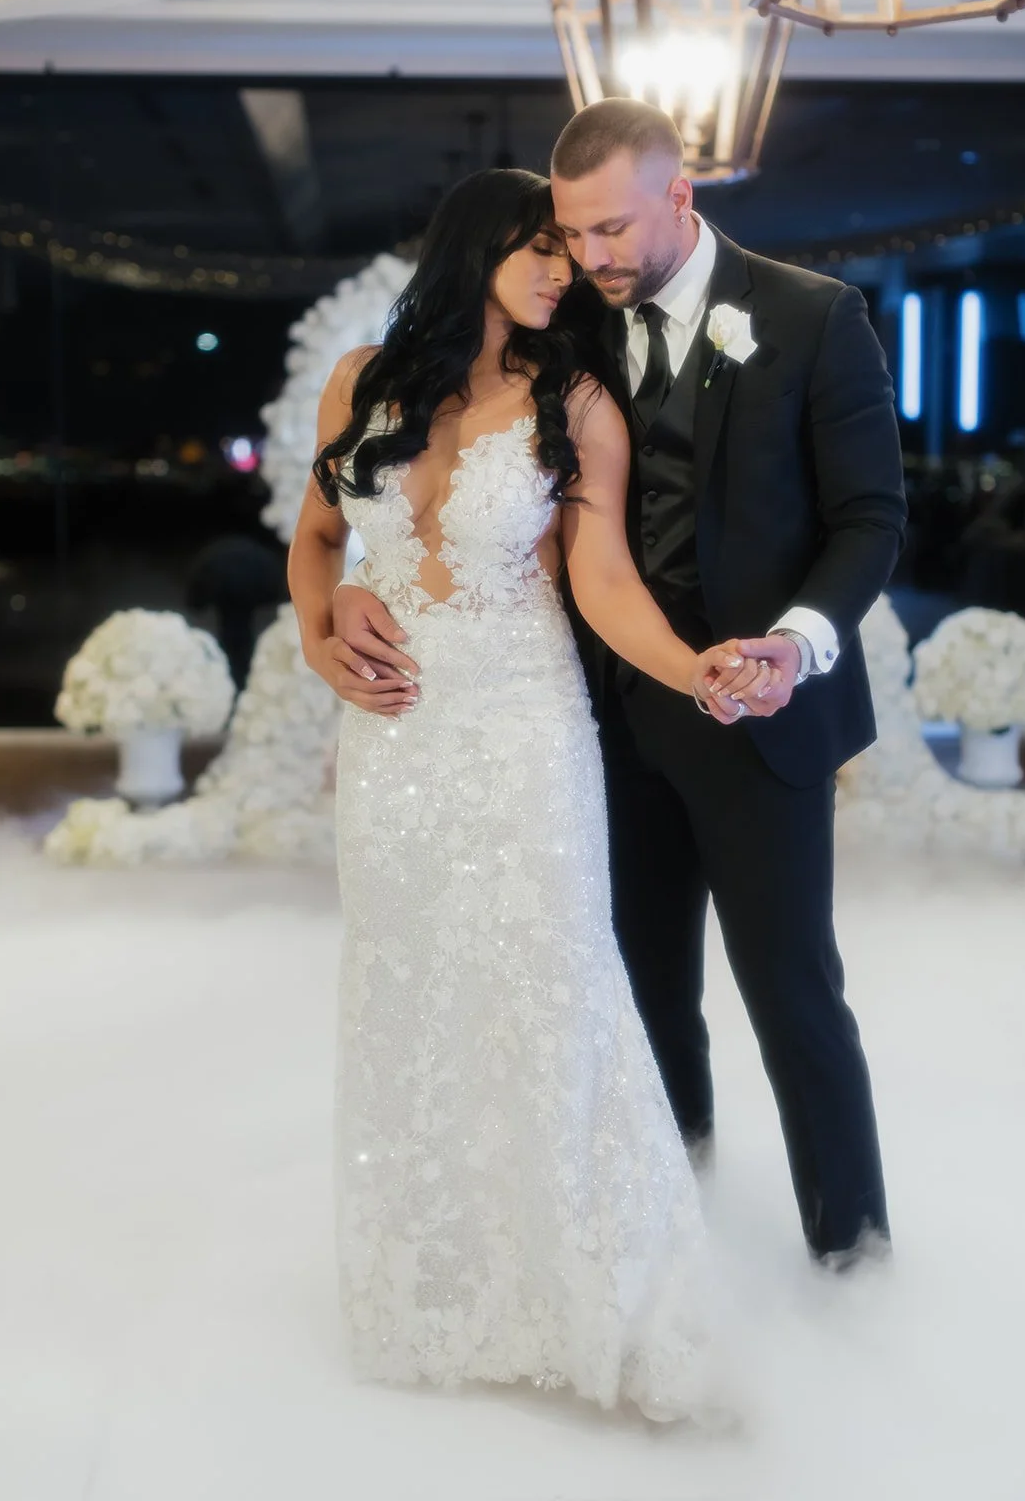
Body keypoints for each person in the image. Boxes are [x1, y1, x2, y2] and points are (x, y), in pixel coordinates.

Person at [333, 101, 908, 1269]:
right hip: (597, 718)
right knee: (642, 989)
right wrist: (342, 595)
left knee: (792, 992)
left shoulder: (811, 316)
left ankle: (853, 1260)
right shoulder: (566, 330)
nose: (589, 256)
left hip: (761, 715)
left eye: (608, 229)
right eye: (569, 233)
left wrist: (791, 645)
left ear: (679, 195)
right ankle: (670, 1222)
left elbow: (869, 519)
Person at [288, 166, 748, 1427]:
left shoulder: (578, 401)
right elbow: (318, 540)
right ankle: (445, 1291)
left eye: (571, 246)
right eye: (537, 246)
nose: (562, 268)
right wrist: (328, 623)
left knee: (556, 990)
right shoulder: (360, 384)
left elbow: (599, 579)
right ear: (472, 252)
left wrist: (697, 671)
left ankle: (602, 1298)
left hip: (526, 729)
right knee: (410, 989)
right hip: (397, 745)